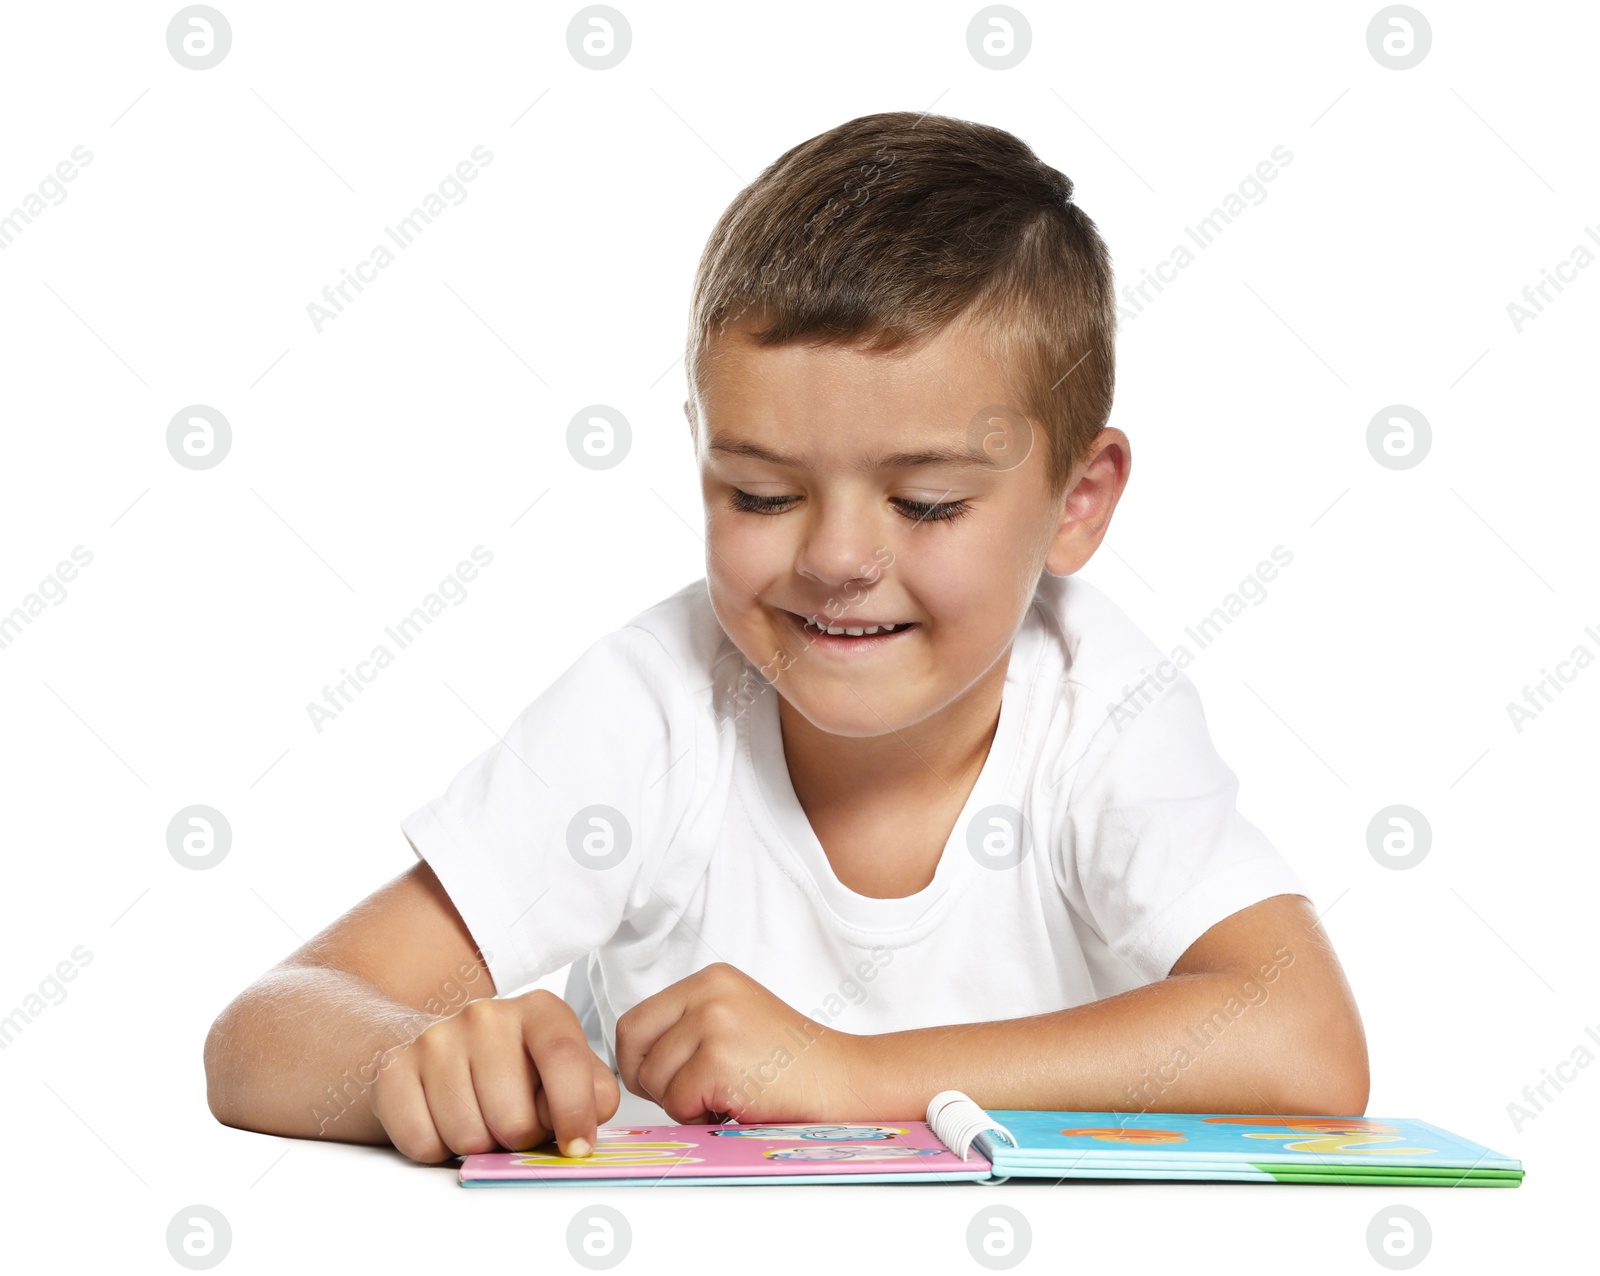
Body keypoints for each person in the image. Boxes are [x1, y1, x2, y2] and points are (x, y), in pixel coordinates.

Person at [204, 110, 1368, 1166]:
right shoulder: (654, 705)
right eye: (760, 494)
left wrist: (847, 1072)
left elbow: (1305, 1038)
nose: (835, 560)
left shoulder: (1098, 704)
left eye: (926, 504)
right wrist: (424, 1064)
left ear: (1077, 500)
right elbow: (269, 1026)